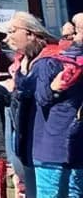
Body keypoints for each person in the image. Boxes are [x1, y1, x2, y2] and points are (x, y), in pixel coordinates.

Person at [0, 12, 56, 198]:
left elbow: (44, 97)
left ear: (30, 33)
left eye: (12, 31)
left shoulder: (48, 60)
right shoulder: (23, 61)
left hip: (46, 143)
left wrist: (21, 83)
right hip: (27, 138)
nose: (7, 38)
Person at [33, 13, 83, 196]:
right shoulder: (52, 62)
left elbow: (42, 98)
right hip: (55, 145)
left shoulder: (51, 61)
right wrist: (54, 88)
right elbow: (42, 98)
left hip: (64, 145)